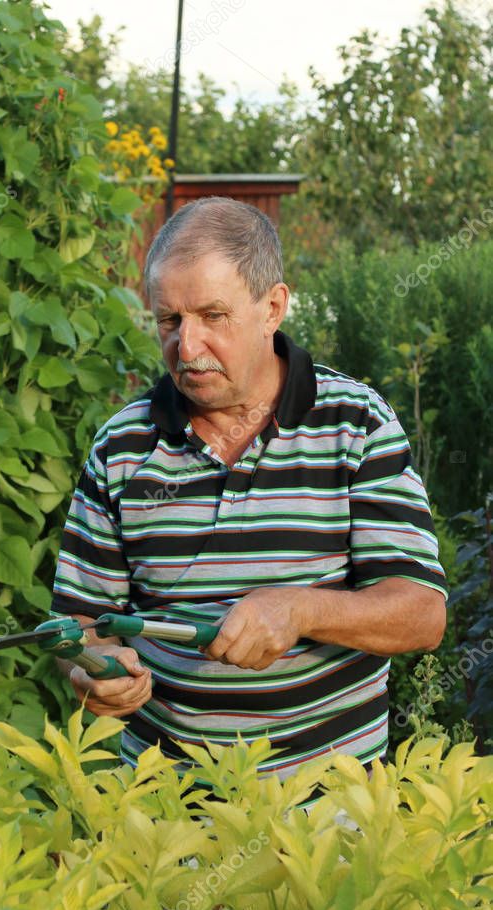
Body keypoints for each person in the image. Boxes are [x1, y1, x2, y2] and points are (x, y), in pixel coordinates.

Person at [49, 196, 447, 792]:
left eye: (214, 316)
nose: (186, 348)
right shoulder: (122, 448)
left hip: (332, 805)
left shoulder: (355, 424)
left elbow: (421, 612)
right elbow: (78, 621)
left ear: (273, 308)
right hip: (167, 807)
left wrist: (299, 609)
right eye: (169, 321)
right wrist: (94, 670)